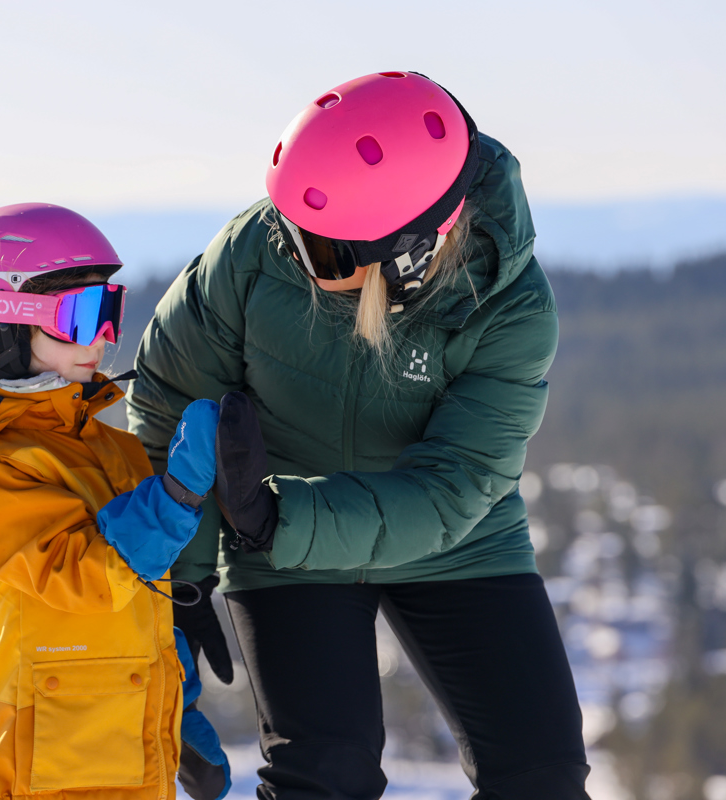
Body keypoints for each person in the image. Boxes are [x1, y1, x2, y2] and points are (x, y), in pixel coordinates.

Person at [127, 73, 590, 799]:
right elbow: (170, 401)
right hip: (275, 529)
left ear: (410, 252)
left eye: (322, 251)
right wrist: (182, 580)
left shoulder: (508, 304)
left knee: (543, 774)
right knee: (323, 775)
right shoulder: (255, 253)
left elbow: (451, 489)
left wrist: (279, 519)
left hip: (444, 537)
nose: (292, 253)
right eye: (290, 230)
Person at [0, 203, 230, 800]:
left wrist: (177, 700)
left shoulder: (113, 450)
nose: (104, 338)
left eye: (107, 310)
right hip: (44, 757)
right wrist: (177, 496)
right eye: (80, 316)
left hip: (127, 746)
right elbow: (90, 574)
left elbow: (141, 598)